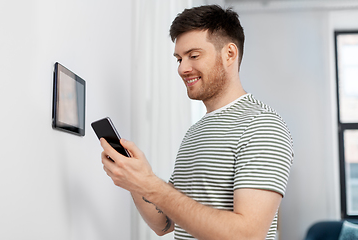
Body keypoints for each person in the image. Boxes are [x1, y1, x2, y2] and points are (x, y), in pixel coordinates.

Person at [100, 4, 294, 240]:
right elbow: (164, 223)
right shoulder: (195, 132)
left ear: (229, 54)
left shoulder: (262, 125)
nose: (182, 68)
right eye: (179, 59)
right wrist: (135, 180)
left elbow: (248, 235)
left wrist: (151, 185)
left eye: (193, 56)